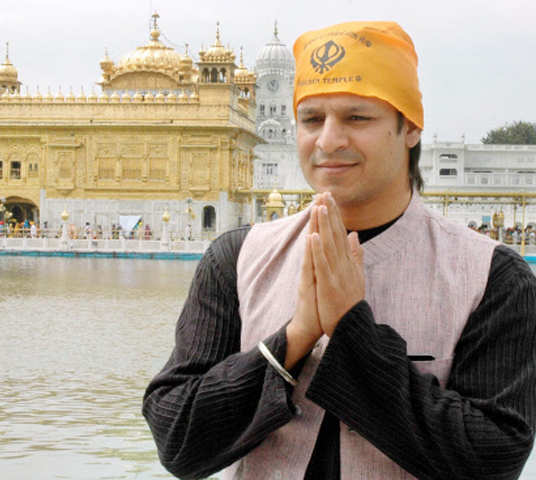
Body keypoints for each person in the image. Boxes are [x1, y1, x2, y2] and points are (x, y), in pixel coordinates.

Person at [142, 21, 536, 480]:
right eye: (312, 119)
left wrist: (353, 332)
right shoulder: (238, 258)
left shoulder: (491, 277)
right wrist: (295, 337)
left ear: (409, 128)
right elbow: (177, 442)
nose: (328, 141)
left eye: (357, 118)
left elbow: (492, 461)